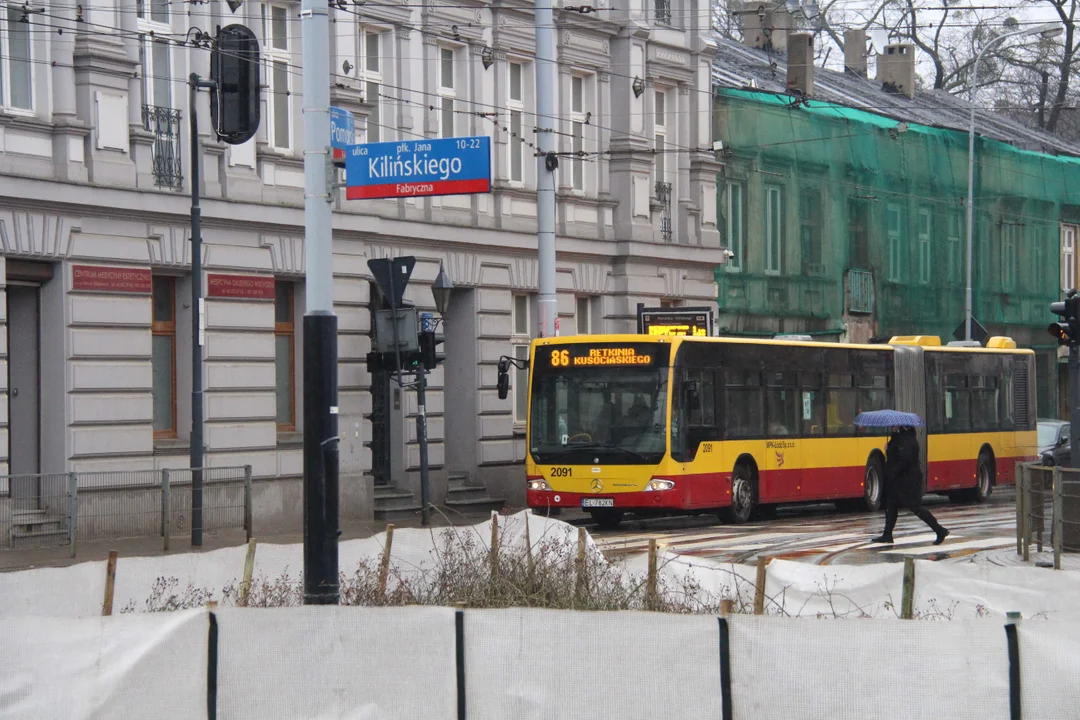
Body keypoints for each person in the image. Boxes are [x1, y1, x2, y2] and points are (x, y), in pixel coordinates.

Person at [872, 426, 950, 545]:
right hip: (898, 479)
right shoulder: (898, 438)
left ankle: (939, 530)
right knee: (890, 505)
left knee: (914, 506)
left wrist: (893, 471)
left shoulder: (907, 440)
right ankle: (887, 534)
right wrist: (888, 449)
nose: (892, 427)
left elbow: (905, 460)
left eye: (894, 426)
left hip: (908, 480)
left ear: (901, 427)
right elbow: (896, 456)